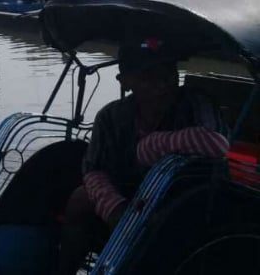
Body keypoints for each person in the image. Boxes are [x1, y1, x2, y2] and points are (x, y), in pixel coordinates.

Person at [57, 37, 229, 275]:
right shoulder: (110, 117)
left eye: (168, 73)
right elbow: (94, 171)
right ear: (125, 82)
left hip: (188, 197)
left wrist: (151, 145)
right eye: (148, 76)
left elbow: (217, 144)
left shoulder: (195, 104)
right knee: (79, 198)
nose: (162, 85)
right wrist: (116, 210)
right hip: (130, 196)